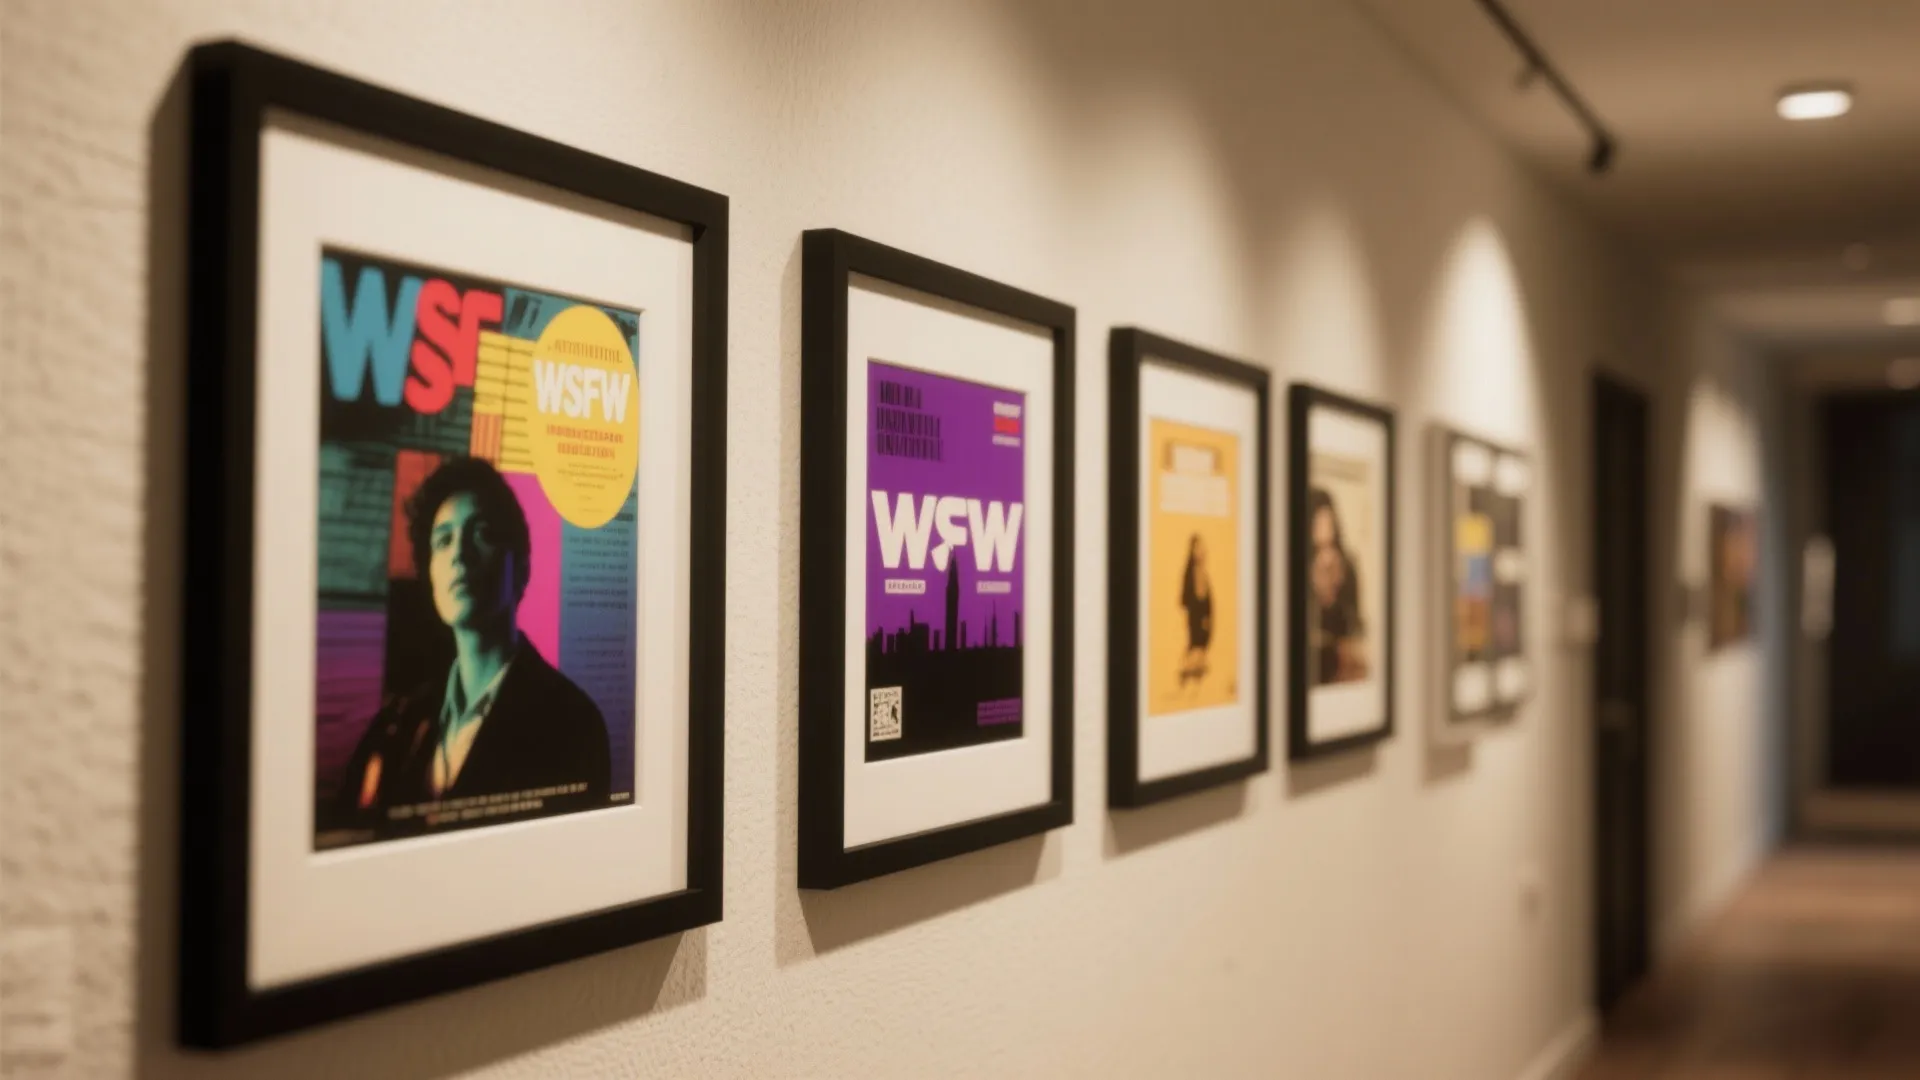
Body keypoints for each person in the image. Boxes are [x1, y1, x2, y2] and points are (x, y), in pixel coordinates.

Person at [331, 457, 610, 840]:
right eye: (443, 540)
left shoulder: (572, 722)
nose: (459, 555)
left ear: (522, 567)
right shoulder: (397, 725)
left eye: (481, 532)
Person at [1308, 487, 1369, 685]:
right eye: (1319, 519)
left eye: (1328, 519)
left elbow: (1351, 617)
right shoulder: (1298, 564)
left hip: (1340, 663)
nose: (1324, 526)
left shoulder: (1346, 563)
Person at [1179, 534, 1214, 686]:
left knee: (1202, 642)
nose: (1201, 551)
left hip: (1204, 614)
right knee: (1194, 642)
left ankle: (1197, 673)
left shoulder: (1203, 571)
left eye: (1202, 548)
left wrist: (1208, 613)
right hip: (1195, 613)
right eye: (1197, 548)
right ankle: (1187, 672)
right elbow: (1185, 596)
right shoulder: (1190, 571)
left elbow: (1208, 596)